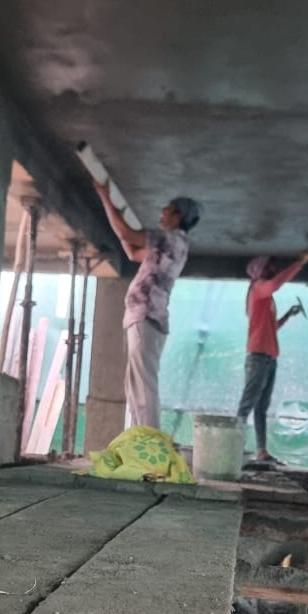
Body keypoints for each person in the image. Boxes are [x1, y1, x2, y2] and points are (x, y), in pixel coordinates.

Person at [92, 182, 201, 429]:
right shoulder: (172, 246)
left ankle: (149, 438)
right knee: (137, 385)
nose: (162, 212)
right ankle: (140, 436)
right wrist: (118, 215)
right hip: (146, 318)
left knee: (143, 386)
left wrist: (105, 197)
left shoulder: (170, 238)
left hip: (146, 317)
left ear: (178, 216)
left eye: (167, 209)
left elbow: (127, 234)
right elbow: (133, 252)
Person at [237, 254, 308, 466]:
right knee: (247, 404)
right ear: (260, 271)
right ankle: (233, 446)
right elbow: (275, 284)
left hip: (268, 358)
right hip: (259, 357)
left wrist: (287, 315)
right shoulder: (259, 288)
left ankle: (261, 451)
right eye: (270, 266)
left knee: (260, 407)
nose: (274, 269)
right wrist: (299, 263)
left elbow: (271, 327)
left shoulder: (266, 299)